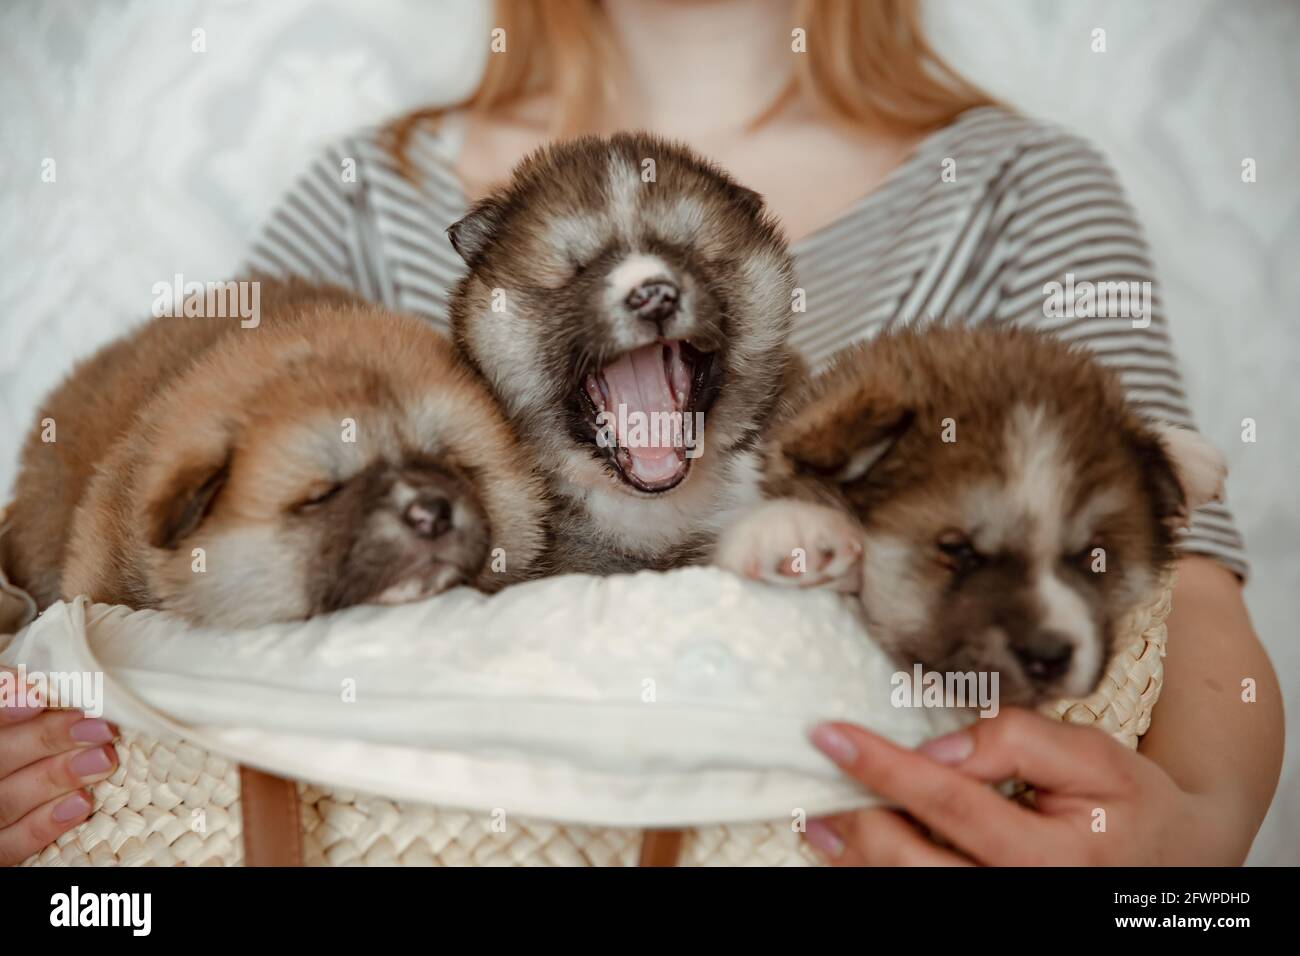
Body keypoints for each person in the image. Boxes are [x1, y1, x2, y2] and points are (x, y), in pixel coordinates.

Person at [0, 0, 1281, 865]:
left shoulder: (1015, 184)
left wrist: (1183, 852)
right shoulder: (365, 196)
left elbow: (1188, 599)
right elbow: (164, 514)